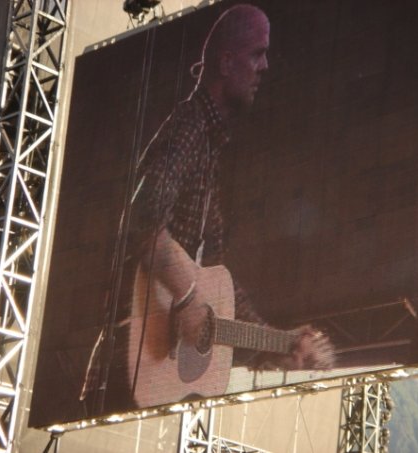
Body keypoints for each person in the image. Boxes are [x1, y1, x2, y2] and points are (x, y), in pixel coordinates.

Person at [126, 3, 334, 384]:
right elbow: (144, 219)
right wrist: (187, 298)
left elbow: (216, 284)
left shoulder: (209, 145)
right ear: (225, 63)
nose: (265, 66)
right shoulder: (190, 126)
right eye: (257, 54)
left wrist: (282, 342)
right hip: (131, 354)